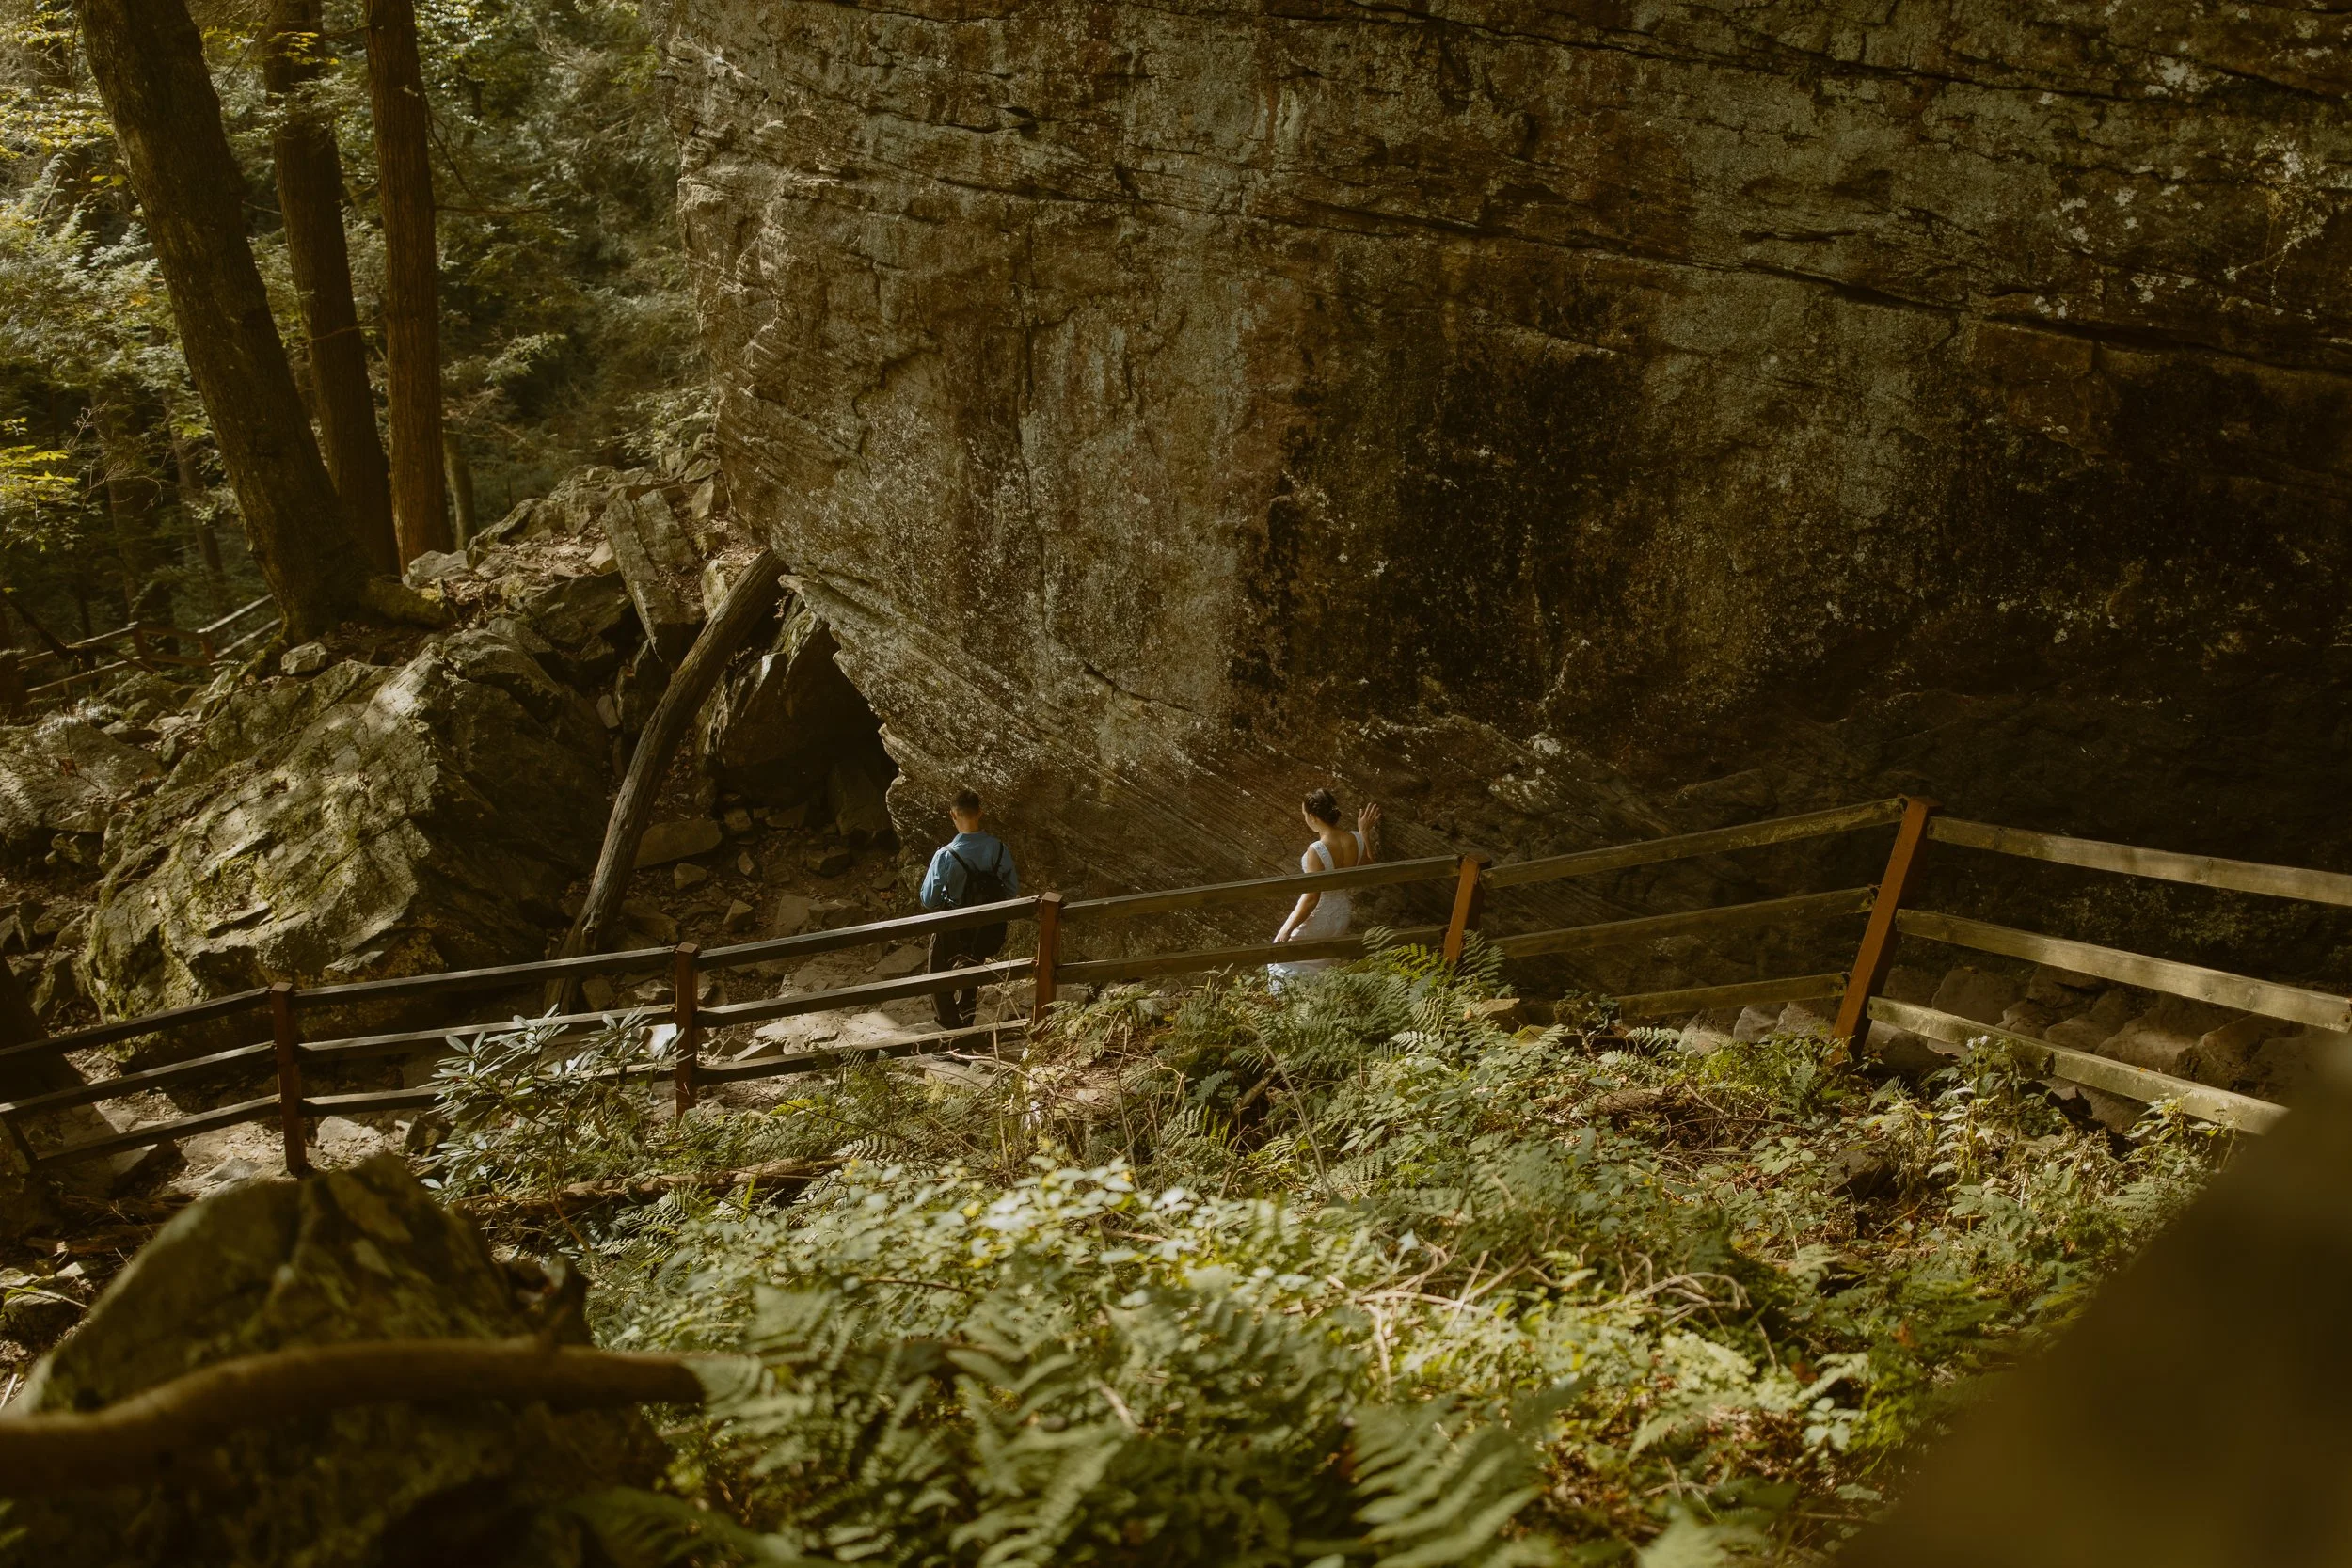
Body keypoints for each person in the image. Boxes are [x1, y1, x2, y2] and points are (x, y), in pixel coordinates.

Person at [919, 787, 1021, 1028]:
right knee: (970, 975)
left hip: (951, 925)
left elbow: (928, 900)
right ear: (980, 813)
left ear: (953, 815)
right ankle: (966, 1027)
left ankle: (951, 1030)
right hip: (984, 925)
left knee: (937, 977)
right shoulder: (999, 849)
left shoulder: (944, 856)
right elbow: (1011, 890)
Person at [1268, 788, 1380, 991]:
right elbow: (1369, 865)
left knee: (1280, 961)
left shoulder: (1316, 850)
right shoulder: (1355, 839)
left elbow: (1312, 897)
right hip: (1341, 914)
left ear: (1312, 816)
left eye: (1304, 815)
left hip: (1318, 914)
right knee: (1319, 967)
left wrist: (1288, 929)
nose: (1305, 819)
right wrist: (1364, 833)